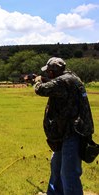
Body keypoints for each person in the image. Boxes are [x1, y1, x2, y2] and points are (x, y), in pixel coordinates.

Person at [33, 57, 94, 195]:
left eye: (48, 71)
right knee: (57, 166)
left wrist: (37, 81)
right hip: (64, 133)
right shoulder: (72, 78)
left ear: (53, 72)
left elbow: (40, 90)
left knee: (69, 173)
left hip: (72, 133)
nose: (48, 74)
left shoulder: (62, 81)